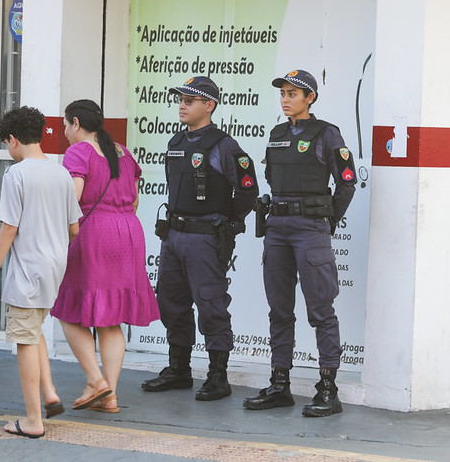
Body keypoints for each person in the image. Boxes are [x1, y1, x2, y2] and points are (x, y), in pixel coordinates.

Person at [243, 69, 356, 417]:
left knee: (321, 310)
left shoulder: (326, 133)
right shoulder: (277, 134)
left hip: (310, 229)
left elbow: (346, 183)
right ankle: (280, 384)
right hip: (277, 228)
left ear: (311, 98)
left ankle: (327, 387)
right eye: (283, 93)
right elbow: (272, 179)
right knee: (279, 309)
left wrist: (326, 221)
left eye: (294, 93)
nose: (286, 98)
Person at [141, 76, 259, 401]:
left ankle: (218, 376)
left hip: (206, 238)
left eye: (189, 100)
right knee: (171, 301)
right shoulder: (176, 143)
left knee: (211, 304)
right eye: (180, 98)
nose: (182, 104)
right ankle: (178, 370)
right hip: (174, 235)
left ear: (209, 105)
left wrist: (229, 222)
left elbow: (248, 189)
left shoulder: (225, 145)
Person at [0, 106, 82, 439]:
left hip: (27, 269)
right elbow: (74, 229)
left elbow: (9, 229)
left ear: (12, 140)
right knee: (33, 328)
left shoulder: (17, 174)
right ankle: (49, 392)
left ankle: (33, 420)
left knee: (23, 339)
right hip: (54, 266)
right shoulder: (62, 173)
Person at [51, 99, 160, 414]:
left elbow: (73, 198)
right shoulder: (123, 152)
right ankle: (109, 394)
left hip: (94, 232)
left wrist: (62, 234)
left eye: (65, 126)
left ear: (75, 122)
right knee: (111, 319)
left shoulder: (79, 152)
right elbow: (136, 200)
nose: (65, 133)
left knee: (68, 309)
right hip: (128, 231)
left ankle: (96, 380)